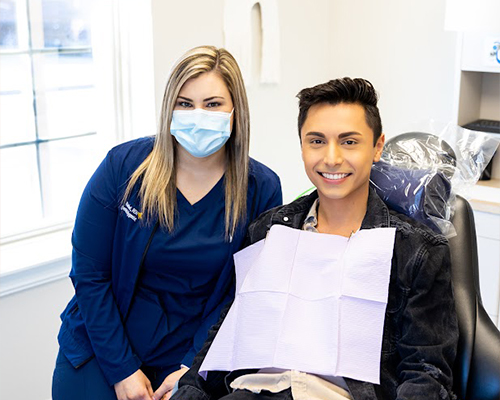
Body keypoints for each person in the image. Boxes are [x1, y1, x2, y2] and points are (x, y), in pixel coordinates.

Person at [171, 78, 459, 400]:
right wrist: (191, 387)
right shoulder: (268, 232)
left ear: (377, 147)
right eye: (317, 141)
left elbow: (426, 372)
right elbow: (228, 332)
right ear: (302, 146)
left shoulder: (415, 252)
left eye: (349, 142)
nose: (332, 158)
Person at [51, 45, 282, 400]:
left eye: (213, 104)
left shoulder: (260, 188)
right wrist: (122, 369)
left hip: (190, 358)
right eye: (185, 103)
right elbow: (89, 273)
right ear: (169, 108)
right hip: (104, 346)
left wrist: (194, 367)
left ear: (236, 110)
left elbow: (244, 292)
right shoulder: (123, 167)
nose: (198, 114)